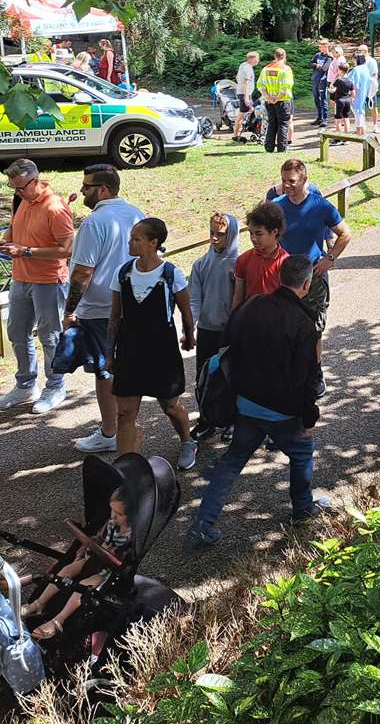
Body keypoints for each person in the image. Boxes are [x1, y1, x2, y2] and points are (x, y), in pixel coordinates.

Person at [186, 256, 329, 548]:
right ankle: (302, 509)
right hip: (283, 412)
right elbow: (307, 379)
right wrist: (309, 417)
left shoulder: (251, 307)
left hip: (247, 405)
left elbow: (227, 343)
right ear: (306, 283)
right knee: (301, 454)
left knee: (231, 462)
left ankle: (203, 523)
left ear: (279, 277)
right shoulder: (303, 323)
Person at [57, 165, 145, 453]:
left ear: (104, 189)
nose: (82, 190)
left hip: (99, 310)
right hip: (133, 305)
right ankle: (127, 424)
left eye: (87, 186)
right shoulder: (136, 214)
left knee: (104, 371)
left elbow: (82, 272)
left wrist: (70, 311)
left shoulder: (95, 223)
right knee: (126, 367)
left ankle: (110, 432)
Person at [107, 218, 195, 466]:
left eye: (136, 238)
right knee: (124, 413)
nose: (130, 242)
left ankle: (187, 440)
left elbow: (186, 313)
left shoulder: (170, 274)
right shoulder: (123, 273)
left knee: (170, 406)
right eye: (131, 238)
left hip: (161, 350)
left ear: (153, 243)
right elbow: (115, 318)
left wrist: (189, 337)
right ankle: (125, 468)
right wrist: (109, 353)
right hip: (129, 349)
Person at [0, 159, 74, 412]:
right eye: (13, 188)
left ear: (36, 181)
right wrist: (6, 242)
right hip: (21, 279)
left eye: (21, 188)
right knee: (17, 332)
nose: (16, 193)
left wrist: (25, 251)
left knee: (50, 336)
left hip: (48, 281)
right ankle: (26, 385)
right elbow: (15, 232)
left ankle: (55, 386)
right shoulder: (22, 202)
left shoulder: (55, 208)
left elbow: (66, 250)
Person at [21, 487, 132, 641]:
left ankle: (58, 621)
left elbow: (122, 559)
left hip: (108, 570)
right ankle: (39, 603)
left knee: (83, 587)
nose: (113, 516)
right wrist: (86, 546)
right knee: (66, 570)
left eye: (119, 514)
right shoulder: (111, 523)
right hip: (93, 559)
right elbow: (98, 537)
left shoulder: (130, 536)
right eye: (111, 510)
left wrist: (109, 551)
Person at [272, 159, 351, 346]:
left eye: (291, 181)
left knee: (314, 330)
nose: (286, 185)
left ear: (304, 179)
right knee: (285, 328)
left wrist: (330, 258)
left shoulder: (321, 206)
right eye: (283, 180)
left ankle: (315, 372)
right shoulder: (276, 206)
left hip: (313, 276)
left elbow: (345, 233)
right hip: (285, 277)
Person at [189, 212, 239, 441]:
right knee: (204, 375)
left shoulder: (239, 264)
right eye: (211, 233)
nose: (214, 239)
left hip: (229, 331)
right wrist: (191, 325)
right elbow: (194, 298)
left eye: (220, 234)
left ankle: (231, 420)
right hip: (208, 329)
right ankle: (206, 419)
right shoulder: (201, 264)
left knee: (230, 375)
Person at [232, 202, 289, 308]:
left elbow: (290, 300)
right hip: (250, 318)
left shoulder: (286, 262)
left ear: (275, 232)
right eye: (251, 233)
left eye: (259, 234)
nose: (253, 238)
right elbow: (238, 297)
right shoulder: (243, 260)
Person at [259, 47, 295, 154]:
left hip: (269, 101)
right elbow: (285, 87)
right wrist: (277, 98)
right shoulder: (286, 69)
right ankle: (281, 148)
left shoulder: (266, 69)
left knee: (271, 123)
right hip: (283, 101)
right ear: (284, 57)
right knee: (283, 124)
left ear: (275, 56)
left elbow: (260, 85)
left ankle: (269, 147)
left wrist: (268, 98)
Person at [232, 51, 259, 142]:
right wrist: (246, 96)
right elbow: (247, 82)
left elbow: (237, 77)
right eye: (257, 59)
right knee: (243, 113)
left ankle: (244, 128)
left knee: (250, 111)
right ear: (252, 59)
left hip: (242, 92)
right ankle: (236, 135)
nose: (258, 60)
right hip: (244, 94)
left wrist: (240, 85)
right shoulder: (248, 68)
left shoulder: (243, 65)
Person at [347, 49, 376, 136]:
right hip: (363, 93)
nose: (353, 60)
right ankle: (362, 133)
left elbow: (355, 84)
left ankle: (359, 134)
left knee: (358, 113)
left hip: (357, 94)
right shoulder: (365, 68)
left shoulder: (356, 69)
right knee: (361, 112)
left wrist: (352, 95)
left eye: (354, 58)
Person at [310, 39, 333, 126]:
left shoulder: (329, 57)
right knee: (316, 99)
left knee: (323, 100)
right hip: (315, 79)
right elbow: (310, 64)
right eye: (319, 46)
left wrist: (318, 66)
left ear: (326, 46)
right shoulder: (317, 55)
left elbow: (325, 68)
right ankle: (319, 117)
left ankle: (325, 119)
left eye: (321, 46)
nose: (320, 48)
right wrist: (316, 65)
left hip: (323, 81)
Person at [329, 65, 355, 135]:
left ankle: (338, 138)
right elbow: (353, 93)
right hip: (347, 101)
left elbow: (332, 89)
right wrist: (351, 99)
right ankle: (346, 137)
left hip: (340, 101)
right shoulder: (350, 81)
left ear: (340, 71)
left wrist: (331, 89)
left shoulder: (339, 79)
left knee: (338, 120)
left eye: (338, 70)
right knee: (346, 118)